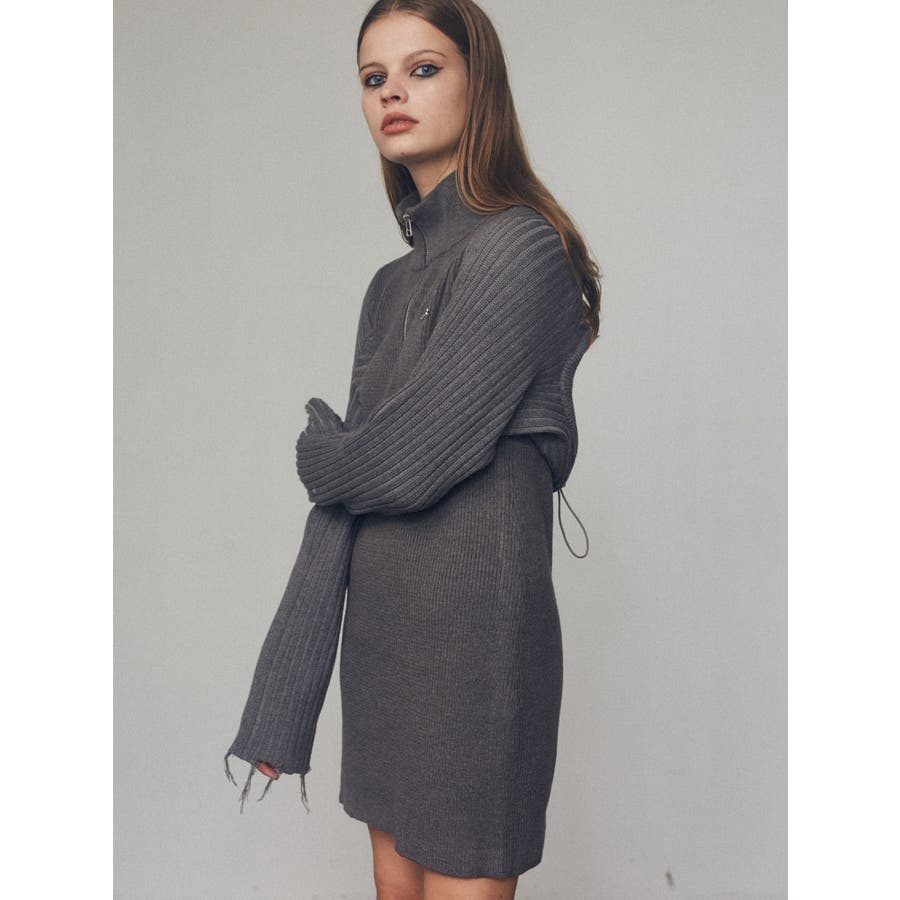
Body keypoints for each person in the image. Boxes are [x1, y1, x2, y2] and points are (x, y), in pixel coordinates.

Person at [224, 1, 603, 897]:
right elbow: (350, 504)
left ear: (480, 83)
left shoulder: (524, 246)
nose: (393, 92)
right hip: (385, 638)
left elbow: (403, 460)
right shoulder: (388, 286)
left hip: (477, 641)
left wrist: (325, 452)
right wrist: (286, 695)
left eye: (423, 69)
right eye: (374, 78)